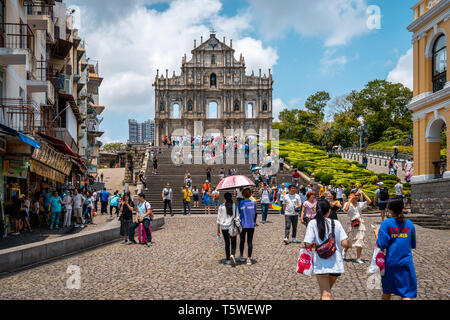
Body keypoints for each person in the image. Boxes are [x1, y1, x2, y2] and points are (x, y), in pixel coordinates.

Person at [304, 200, 349, 300]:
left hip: (321, 263)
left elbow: (307, 243)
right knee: (326, 291)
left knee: (326, 294)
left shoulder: (312, 223)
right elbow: (345, 243)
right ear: (329, 211)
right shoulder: (336, 223)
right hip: (336, 264)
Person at [377, 199, 417, 300]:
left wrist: (377, 234)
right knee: (407, 293)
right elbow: (413, 244)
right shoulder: (409, 224)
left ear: (389, 210)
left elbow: (382, 244)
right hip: (406, 262)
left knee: (387, 290)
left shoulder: (386, 224)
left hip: (390, 262)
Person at [343, 189, 372, 264]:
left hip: (360, 224)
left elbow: (369, 202)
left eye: (358, 195)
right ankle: (344, 252)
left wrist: (363, 193)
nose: (356, 197)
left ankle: (358, 258)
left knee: (360, 239)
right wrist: (349, 200)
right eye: (355, 195)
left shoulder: (360, 204)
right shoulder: (347, 203)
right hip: (351, 224)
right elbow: (346, 210)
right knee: (349, 240)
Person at [237, 188, 257, 266]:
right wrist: (254, 222)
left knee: (242, 240)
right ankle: (249, 258)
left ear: (242, 194)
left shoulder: (240, 203)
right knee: (249, 242)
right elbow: (255, 213)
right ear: (250, 194)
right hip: (251, 224)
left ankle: (241, 256)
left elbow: (238, 213)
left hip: (243, 224)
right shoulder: (253, 203)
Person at [217, 192, 237, 266]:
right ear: (231, 198)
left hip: (224, 228)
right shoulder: (234, 205)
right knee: (233, 242)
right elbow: (237, 216)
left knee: (227, 243)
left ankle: (228, 259)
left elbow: (218, 219)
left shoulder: (221, 206)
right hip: (232, 227)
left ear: (224, 198)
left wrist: (218, 230)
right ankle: (232, 254)